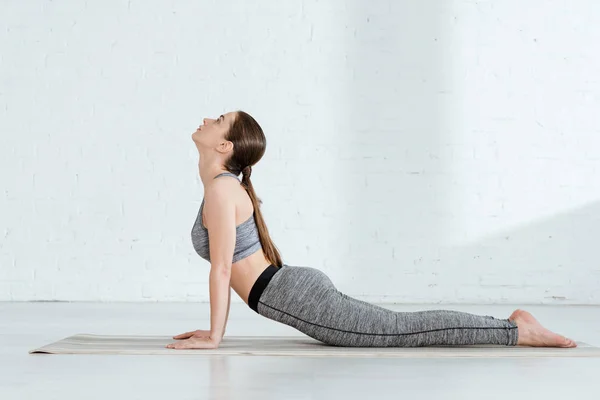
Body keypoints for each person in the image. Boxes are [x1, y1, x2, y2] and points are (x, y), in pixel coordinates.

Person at [165, 110, 577, 350]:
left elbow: (221, 269)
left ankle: (515, 330)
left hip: (293, 295)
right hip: (290, 288)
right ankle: (513, 323)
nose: (207, 118)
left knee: (403, 331)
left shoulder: (222, 191)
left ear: (225, 147)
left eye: (218, 119)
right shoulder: (221, 188)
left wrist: (215, 337)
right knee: (400, 325)